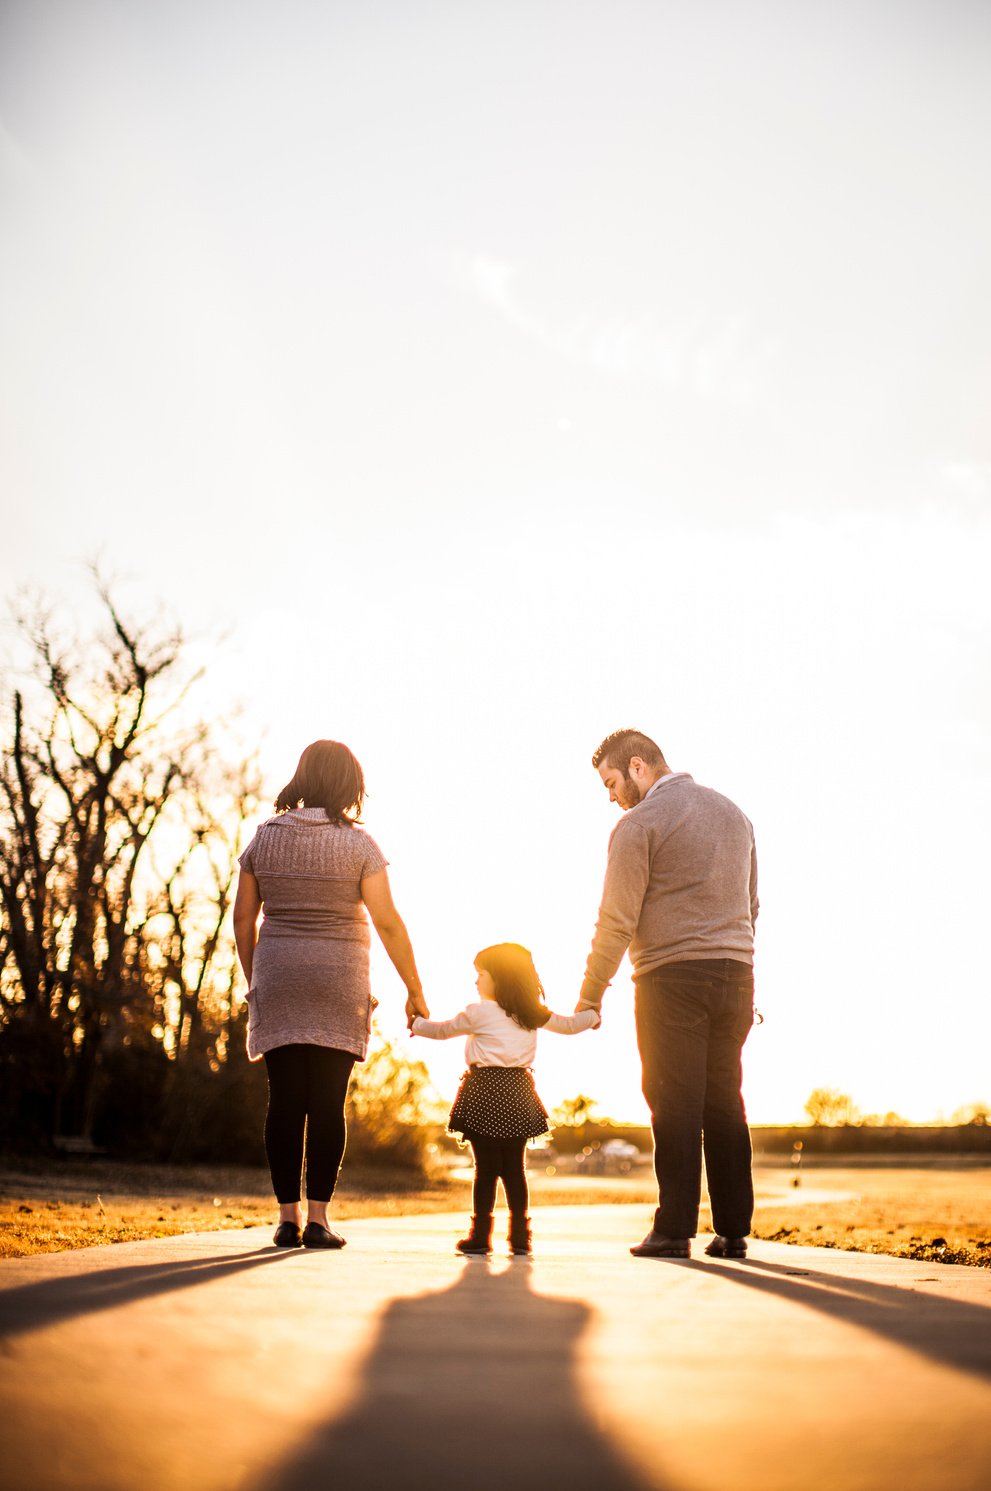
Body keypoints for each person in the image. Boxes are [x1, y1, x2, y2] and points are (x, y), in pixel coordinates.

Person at [233, 740, 428, 1250]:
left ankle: (286, 1218)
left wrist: (258, 980)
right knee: (326, 1103)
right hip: (339, 981)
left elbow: (243, 919)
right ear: (349, 784)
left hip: (278, 977)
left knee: (284, 1101)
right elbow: (387, 922)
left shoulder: (264, 838)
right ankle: (319, 1220)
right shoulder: (360, 846)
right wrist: (414, 987)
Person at [576, 728, 759, 1260]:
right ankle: (732, 1231)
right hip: (736, 974)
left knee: (674, 1103)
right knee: (725, 1100)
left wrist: (590, 997)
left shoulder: (639, 825)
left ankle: (674, 1229)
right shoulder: (735, 814)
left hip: (670, 978)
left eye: (611, 783)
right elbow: (751, 904)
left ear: (637, 767)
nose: (611, 797)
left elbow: (616, 921)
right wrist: (735, 958)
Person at [412, 943, 598, 1256]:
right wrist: (592, 1016)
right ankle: (520, 1236)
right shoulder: (530, 1013)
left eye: (480, 974)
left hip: (484, 1092)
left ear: (498, 977)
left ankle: (481, 1235)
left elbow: (442, 1031)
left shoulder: (479, 1012)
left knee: (485, 1170)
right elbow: (568, 1025)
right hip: (518, 1094)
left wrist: (415, 1023)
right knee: (515, 1169)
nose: (475, 982)